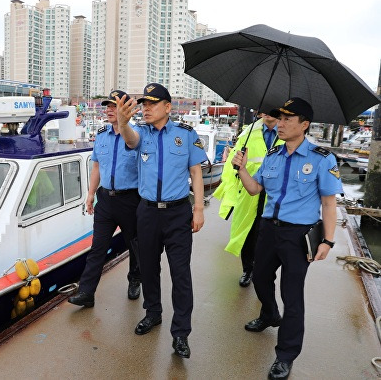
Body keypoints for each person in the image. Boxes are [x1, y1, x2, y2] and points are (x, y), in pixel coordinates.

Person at [231, 97, 343, 379]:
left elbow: (329, 204)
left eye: (287, 119)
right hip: (268, 229)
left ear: (304, 125)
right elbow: (255, 189)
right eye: (279, 118)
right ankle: (269, 314)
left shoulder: (321, 158)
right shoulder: (273, 155)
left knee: (292, 297)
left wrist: (328, 241)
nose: (279, 124)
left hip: (298, 235)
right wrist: (241, 168)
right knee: (258, 277)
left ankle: (285, 355)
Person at [116, 83, 207, 359]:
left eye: (152, 104)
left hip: (178, 213)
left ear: (168, 107)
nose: (145, 108)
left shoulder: (186, 135)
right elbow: (130, 140)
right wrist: (122, 120)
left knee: (181, 274)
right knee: (149, 268)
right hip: (147, 212)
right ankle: (153, 313)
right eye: (143, 104)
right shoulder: (140, 133)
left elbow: (196, 172)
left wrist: (199, 209)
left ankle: (180, 333)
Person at [68, 90, 142, 308]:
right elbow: (97, 167)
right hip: (106, 200)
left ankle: (134, 280)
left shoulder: (137, 135)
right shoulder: (102, 135)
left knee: (135, 246)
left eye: (114, 106)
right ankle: (87, 292)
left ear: (125, 109)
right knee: (97, 247)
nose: (109, 110)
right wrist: (90, 195)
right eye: (107, 106)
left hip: (131, 199)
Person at [214, 110, 283, 287]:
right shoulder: (248, 133)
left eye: (273, 110)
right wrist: (234, 168)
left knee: (270, 234)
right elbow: (233, 161)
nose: (268, 114)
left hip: (275, 193)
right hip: (249, 189)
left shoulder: (286, 133)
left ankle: (264, 271)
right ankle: (248, 269)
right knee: (248, 232)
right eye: (266, 110)